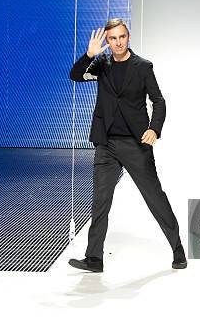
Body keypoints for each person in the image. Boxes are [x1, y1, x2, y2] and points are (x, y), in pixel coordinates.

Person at [68, 18, 187, 272]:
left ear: (128, 37)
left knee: (154, 197)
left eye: (122, 37)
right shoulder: (101, 64)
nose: (118, 42)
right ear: (108, 41)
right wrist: (89, 54)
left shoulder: (143, 67)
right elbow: (75, 76)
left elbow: (159, 101)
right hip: (107, 143)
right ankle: (94, 259)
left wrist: (154, 129)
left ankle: (178, 249)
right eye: (112, 38)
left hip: (136, 143)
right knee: (100, 200)